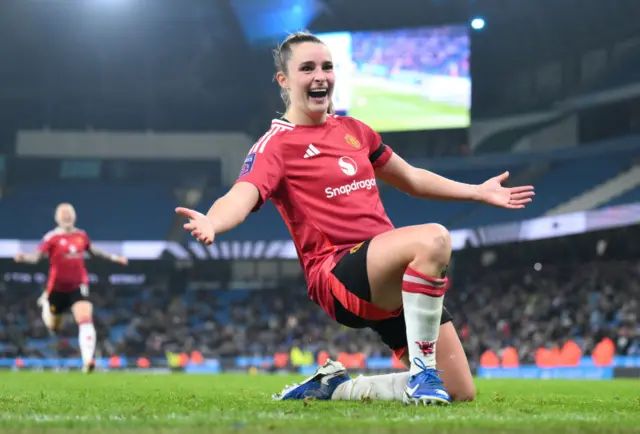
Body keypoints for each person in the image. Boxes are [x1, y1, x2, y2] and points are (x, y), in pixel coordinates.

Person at [176, 31, 534, 404]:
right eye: (307, 68)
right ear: (283, 80)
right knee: (435, 238)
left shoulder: (354, 131)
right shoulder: (276, 144)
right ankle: (423, 373)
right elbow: (242, 194)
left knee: (460, 391)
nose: (320, 76)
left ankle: (337, 388)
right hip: (337, 274)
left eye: (327, 67)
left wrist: (477, 190)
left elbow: (411, 178)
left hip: (386, 274)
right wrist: (213, 221)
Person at [14, 203, 128, 373]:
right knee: (55, 327)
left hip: (78, 286)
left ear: (74, 216)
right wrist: (24, 258)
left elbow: (94, 251)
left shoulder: (81, 236)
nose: (66, 216)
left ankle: (88, 360)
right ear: (57, 218)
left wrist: (114, 257)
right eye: (63, 214)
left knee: (85, 316)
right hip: (57, 290)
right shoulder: (51, 238)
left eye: (69, 213)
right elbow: (36, 257)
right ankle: (46, 303)